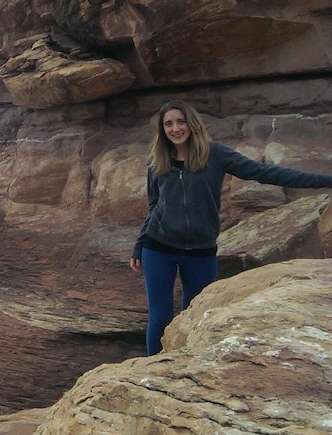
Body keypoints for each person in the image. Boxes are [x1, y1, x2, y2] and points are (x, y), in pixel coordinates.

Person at [130, 100, 332, 355]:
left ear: (192, 124)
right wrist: (139, 246)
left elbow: (265, 173)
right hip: (158, 247)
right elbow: (154, 206)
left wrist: (326, 180)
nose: (176, 128)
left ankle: (185, 365)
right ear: (163, 130)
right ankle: (153, 367)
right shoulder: (156, 162)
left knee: (195, 316)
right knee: (159, 317)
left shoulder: (215, 154)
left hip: (200, 251)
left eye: (181, 122)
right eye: (168, 124)